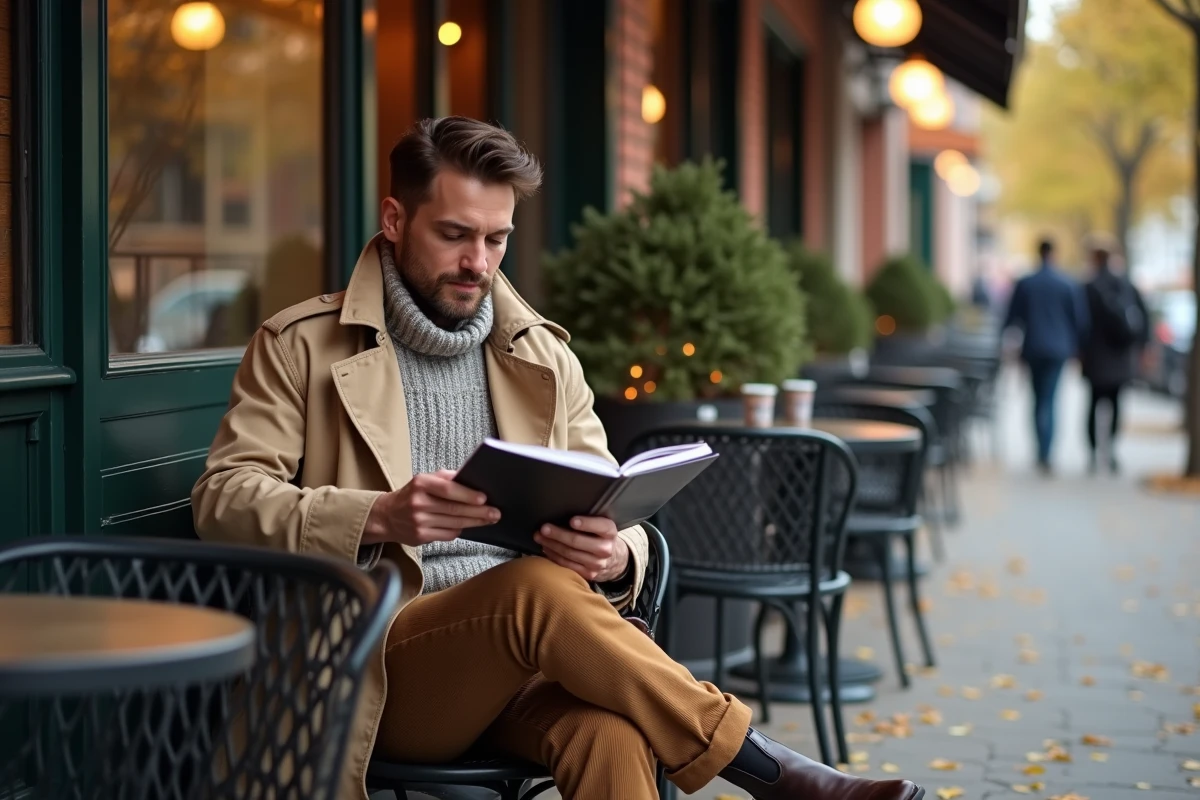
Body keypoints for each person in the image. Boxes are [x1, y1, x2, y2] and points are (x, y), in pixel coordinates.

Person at [191, 117, 925, 800]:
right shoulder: (300, 345)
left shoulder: (543, 355)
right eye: (454, 235)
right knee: (533, 590)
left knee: (611, 734)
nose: (477, 262)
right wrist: (379, 514)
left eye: (497, 239)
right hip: (376, 666)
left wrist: (616, 554)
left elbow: (611, 500)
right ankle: (768, 770)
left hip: (535, 662)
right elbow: (223, 499)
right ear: (394, 219)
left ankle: (761, 765)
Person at [1001, 238, 1088, 474]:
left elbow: (1011, 318)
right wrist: (1078, 348)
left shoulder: (1027, 283)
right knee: (1050, 399)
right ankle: (1047, 452)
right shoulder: (1067, 284)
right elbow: (1080, 321)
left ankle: (1042, 450)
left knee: (1038, 399)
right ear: (1054, 253)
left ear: (1038, 253)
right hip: (1059, 350)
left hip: (1033, 348)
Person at [1080, 241, 1148, 474]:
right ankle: (1111, 451)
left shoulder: (1089, 287)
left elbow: (1080, 323)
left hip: (1096, 356)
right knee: (1116, 405)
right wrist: (1142, 347)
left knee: (1093, 404)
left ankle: (1092, 453)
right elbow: (1142, 318)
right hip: (1120, 356)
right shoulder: (1126, 284)